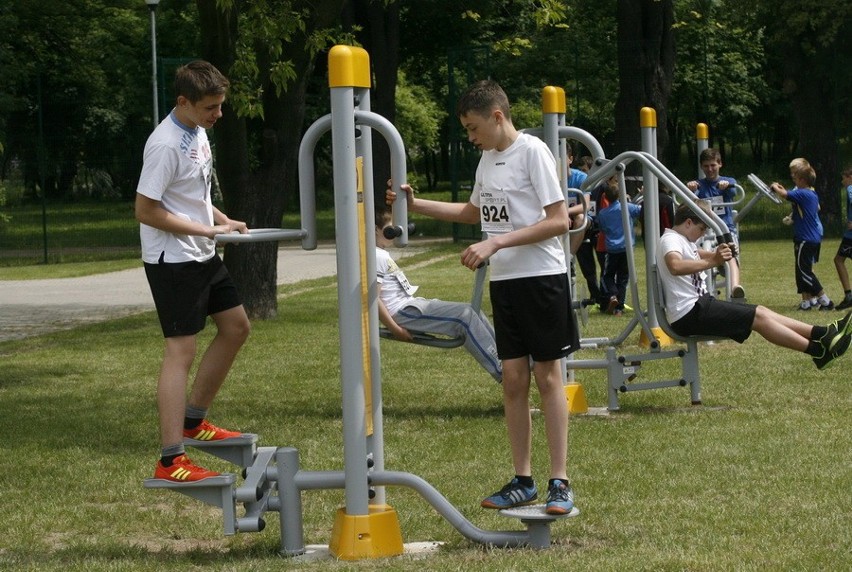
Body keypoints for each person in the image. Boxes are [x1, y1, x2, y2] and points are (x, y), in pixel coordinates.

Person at [387, 79, 578, 515]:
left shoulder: (533, 152)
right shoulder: (487, 161)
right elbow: (474, 213)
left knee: (548, 377)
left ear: (497, 116)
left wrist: (496, 244)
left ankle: (560, 482)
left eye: (473, 128)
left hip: (542, 277)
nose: (470, 138)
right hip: (506, 282)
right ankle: (522, 480)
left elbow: (558, 221)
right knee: (512, 380)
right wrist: (418, 205)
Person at [135, 61, 251, 483]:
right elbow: (146, 210)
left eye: (220, 106)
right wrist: (206, 228)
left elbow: (192, 195)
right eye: (210, 108)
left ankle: (194, 419)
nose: (218, 115)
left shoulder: (198, 132)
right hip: (173, 260)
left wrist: (222, 220)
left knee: (236, 327)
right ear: (182, 102)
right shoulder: (165, 144)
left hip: (201, 250)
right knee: (179, 352)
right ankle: (170, 460)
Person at [657, 202, 851, 370]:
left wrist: (721, 252)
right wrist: (713, 260)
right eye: (702, 229)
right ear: (688, 222)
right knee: (758, 318)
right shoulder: (671, 239)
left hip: (698, 307)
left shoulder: (682, 240)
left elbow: (700, 254)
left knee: (762, 311)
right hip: (689, 314)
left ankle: (823, 334)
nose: (703, 234)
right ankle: (818, 352)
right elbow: (675, 266)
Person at [374, 208, 502, 383]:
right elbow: (373, 299)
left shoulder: (380, 254)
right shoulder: (375, 256)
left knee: (472, 311)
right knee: (464, 317)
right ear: (375, 230)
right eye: (391, 229)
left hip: (409, 305)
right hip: (401, 312)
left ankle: (507, 360)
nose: (396, 234)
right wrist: (395, 329)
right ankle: (506, 373)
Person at [770, 158, 835, 311]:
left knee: (805, 271)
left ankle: (825, 300)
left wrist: (774, 186)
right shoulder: (806, 193)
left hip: (807, 238)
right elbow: (789, 194)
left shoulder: (804, 193)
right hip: (806, 238)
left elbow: (785, 194)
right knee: (801, 270)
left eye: (796, 177)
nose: (794, 178)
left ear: (803, 180)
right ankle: (807, 303)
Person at [686, 148, 743, 297]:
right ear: (701, 167)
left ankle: (735, 288)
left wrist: (725, 186)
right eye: (706, 166)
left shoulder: (729, 182)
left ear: (720, 164)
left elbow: (733, 192)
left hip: (724, 230)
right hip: (703, 231)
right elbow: (691, 200)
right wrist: (691, 189)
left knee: (730, 255)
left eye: (713, 165)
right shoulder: (699, 185)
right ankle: (699, 291)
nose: (710, 169)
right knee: (694, 253)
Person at [596, 177, 642, 315]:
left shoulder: (603, 213)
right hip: (627, 248)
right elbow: (641, 210)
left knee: (607, 276)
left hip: (612, 249)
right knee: (623, 277)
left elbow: (603, 229)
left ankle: (613, 295)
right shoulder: (627, 208)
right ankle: (619, 308)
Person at [834, 167, 852, 310]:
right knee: (839, 260)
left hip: (850, 237)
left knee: (839, 260)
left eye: (844, 178)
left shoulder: (850, 189)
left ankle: (848, 295)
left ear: (850, 177)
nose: (842, 181)